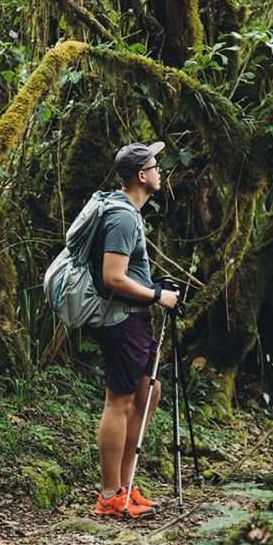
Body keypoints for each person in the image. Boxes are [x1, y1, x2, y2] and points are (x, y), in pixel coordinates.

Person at [91, 141, 180, 519]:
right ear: (142, 176)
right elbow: (113, 277)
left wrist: (151, 286)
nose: (160, 171)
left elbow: (127, 272)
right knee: (120, 400)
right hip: (122, 319)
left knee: (149, 390)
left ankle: (126, 488)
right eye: (155, 166)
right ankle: (110, 494)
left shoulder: (129, 213)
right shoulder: (124, 217)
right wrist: (157, 294)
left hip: (134, 318)